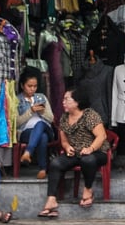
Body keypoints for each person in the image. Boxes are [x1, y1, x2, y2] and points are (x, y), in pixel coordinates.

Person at [37, 88, 109, 218]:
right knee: (55, 163)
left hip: (97, 152)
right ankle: (52, 199)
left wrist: (90, 148)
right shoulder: (64, 118)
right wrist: (67, 147)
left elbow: (102, 136)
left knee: (88, 160)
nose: (63, 102)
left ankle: (88, 190)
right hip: (75, 153)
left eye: (67, 99)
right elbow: (63, 139)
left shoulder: (89, 115)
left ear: (77, 102)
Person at [15, 68, 55, 178]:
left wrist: (42, 113)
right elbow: (16, 123)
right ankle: (42, 169)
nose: (32, 89)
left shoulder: (42, 97)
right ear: (22, 85)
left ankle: (28, 152)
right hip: (26, 132)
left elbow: (51, 119)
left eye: (35, 86)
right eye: (29, 86)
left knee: (40, 124)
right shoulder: (17, 100)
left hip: (46, 128)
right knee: (42, 137)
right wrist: (31, 111)